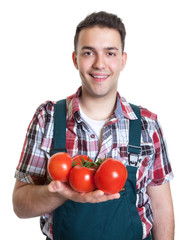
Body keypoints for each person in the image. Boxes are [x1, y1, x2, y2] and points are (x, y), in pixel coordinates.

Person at [12, 11, 174, 240]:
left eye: (110, 53)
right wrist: (62, 193)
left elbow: (162, 208)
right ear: (75, 58)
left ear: (122, 60)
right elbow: (20, 205)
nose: (100, 64)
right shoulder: (47, 119)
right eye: (89, 53)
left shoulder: (147, 125)